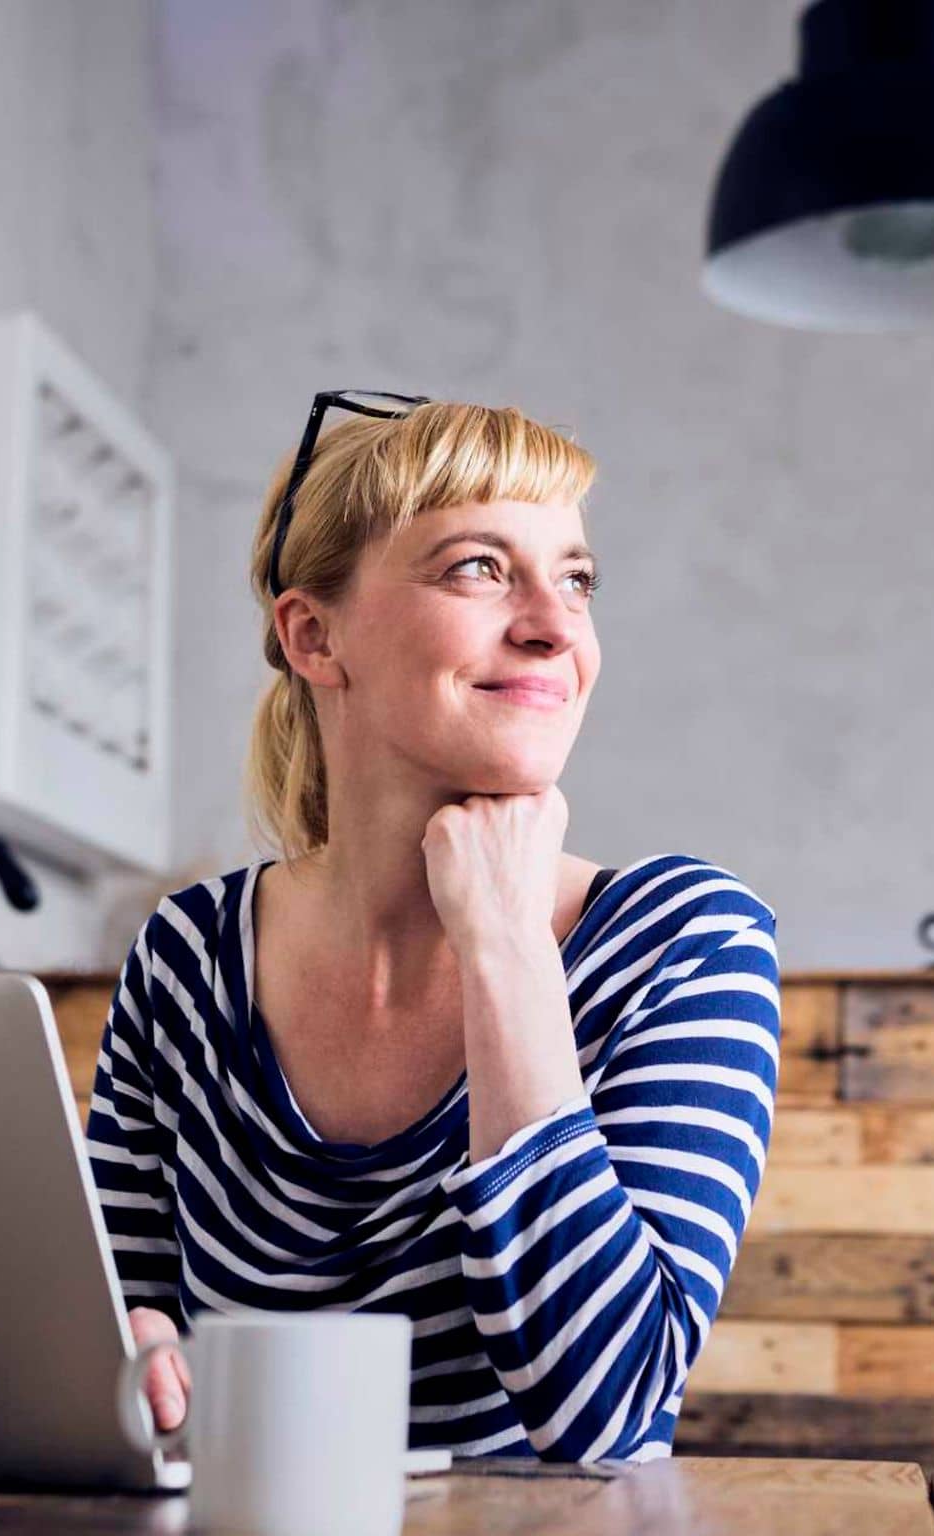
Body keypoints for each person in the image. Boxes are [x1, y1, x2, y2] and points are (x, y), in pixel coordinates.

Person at [85, 395, 780, 1463]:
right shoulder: (186, 955)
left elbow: (603, 1414)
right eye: (479, 569)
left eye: (577, 579)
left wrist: (506, 944)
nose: (555, 625)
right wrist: (126, 1364)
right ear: (315, 636)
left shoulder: (682, 942)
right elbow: (114, 1326)